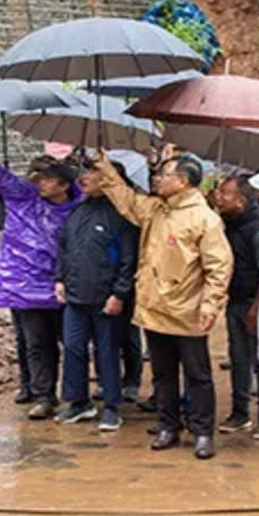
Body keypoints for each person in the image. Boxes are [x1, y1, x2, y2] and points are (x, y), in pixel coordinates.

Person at [94, 154, 232, 459]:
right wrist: (104, 168)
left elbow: (218, 267)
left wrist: (210, 304)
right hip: (155, 307)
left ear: (182, 181)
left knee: (198, 375)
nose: (156, 179)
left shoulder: (204, 218)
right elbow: (126, 200)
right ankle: (168, 426)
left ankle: (202, 431)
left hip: (189, 309)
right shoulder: (156, 209)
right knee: (162, 373)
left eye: (164, 174)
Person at [0, 137, 82, 419]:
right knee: (36, 343)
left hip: (63, 284)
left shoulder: (78, 209)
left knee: (73, 345)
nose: (40, 183)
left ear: (63, 185)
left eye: (47, 179)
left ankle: (76, 397)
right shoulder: (22, 196)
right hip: (26, 285)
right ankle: (43, 396)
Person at [54, 163, 139, 430]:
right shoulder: (78, 212)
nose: (83, 178)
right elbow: (65, 249)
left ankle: (112, 406)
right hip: (76, 297)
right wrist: (60, 279)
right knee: (73, 348)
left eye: (91, 173)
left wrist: (120, 293)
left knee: (107, 352)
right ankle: (78, 402)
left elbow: (128, 259)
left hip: (106, 299)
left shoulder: (121, 215)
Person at [0, 154, 59, 404]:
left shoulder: (59, 205)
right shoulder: (17, 197)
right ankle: (29, 385)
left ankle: (42, 389)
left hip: (45, 279)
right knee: (26, 339)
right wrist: (3, 197)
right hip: (17, 279)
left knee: (40, 340)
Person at [213, 175, 259, 437]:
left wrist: (257, 309)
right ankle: (240, 412)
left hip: (255, 303)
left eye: (224, 193)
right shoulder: (229, 223)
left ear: (240, 200)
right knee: (238, 359)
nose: (219, 198)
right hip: (236, 299)